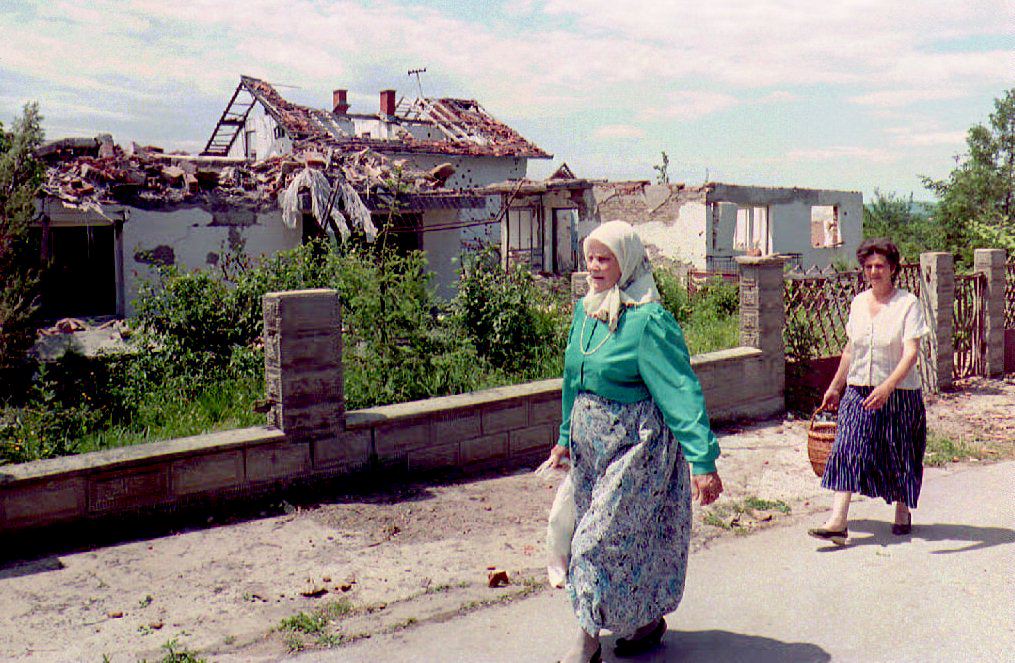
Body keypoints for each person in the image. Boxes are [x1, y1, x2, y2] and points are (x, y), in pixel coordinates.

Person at [545, 221, 723, 663]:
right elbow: (573, 379)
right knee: (628, 539)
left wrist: (702, 460)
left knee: (592, 541)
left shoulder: (648, 320)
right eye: (591, 256)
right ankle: (644, 623)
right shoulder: (586, 312)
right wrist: (565, 437)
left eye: (605, 258)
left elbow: (680, 389)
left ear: (626, 262)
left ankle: (586, 643)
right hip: (593, 450)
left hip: (635, 447)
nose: (594, 266)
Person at [809, 238, 929, 546]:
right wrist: (836, 386)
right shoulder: (858, 303)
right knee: (847, 447)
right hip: (858, 390)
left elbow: (911, 353)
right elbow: (851, 350)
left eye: (880, 266)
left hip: (899, 392)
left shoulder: (907, 304)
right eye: (869, 266)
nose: (874, 272)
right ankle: (838, 521)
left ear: (892, 269)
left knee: (900, 452)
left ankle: (902, 512)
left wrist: (888, 386)